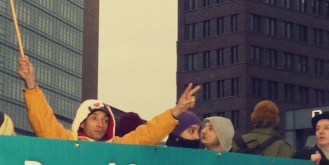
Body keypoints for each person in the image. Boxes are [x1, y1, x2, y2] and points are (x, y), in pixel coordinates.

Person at [18, 56, 199, 145]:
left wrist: (176, 111)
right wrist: (31, 84)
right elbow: (44, 124)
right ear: (81, 123)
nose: (101, 124)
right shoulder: (66, 141)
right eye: (94, 118)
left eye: (105, 120)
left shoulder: (116, 147)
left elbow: (148, 134)